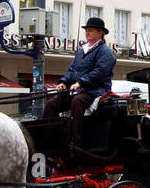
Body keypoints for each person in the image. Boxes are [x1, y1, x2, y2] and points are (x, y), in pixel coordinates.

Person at [43, 16, 115, 144]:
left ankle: (75, 139)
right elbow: (72, 71)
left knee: (77, 101)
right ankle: (48, 137)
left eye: (91, 30)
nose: (87, 33)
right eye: (87, 30)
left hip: (96, 91)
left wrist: (80, 82)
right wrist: (63, 82)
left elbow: (99, 72)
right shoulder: (81, 51)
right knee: (51, 104)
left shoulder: (106, 52)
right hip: (80, 90)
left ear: (101, 32)